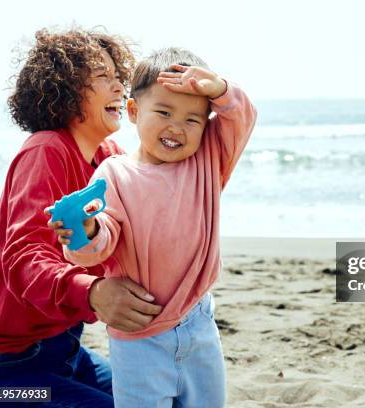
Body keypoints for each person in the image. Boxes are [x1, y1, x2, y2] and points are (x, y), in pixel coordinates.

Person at [49, 47, 257, 407]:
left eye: (193, 119)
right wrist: (86, 231)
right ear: (133, 111)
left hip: (198, 323)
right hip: (139, 337)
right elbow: (98, 247)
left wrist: (220, 88)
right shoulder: (114, 174)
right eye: (163, 112)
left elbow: (242, 116)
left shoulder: (209, 159)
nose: (177, 127)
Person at [0, 27, 163, 407]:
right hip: (0, 371)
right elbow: (23, 258)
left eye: (118, 78)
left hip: (66, 352)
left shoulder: (110, 158)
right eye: (103, 77)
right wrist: (92, 292)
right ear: (64, 89)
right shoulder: (45, 151)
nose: (119, 88)